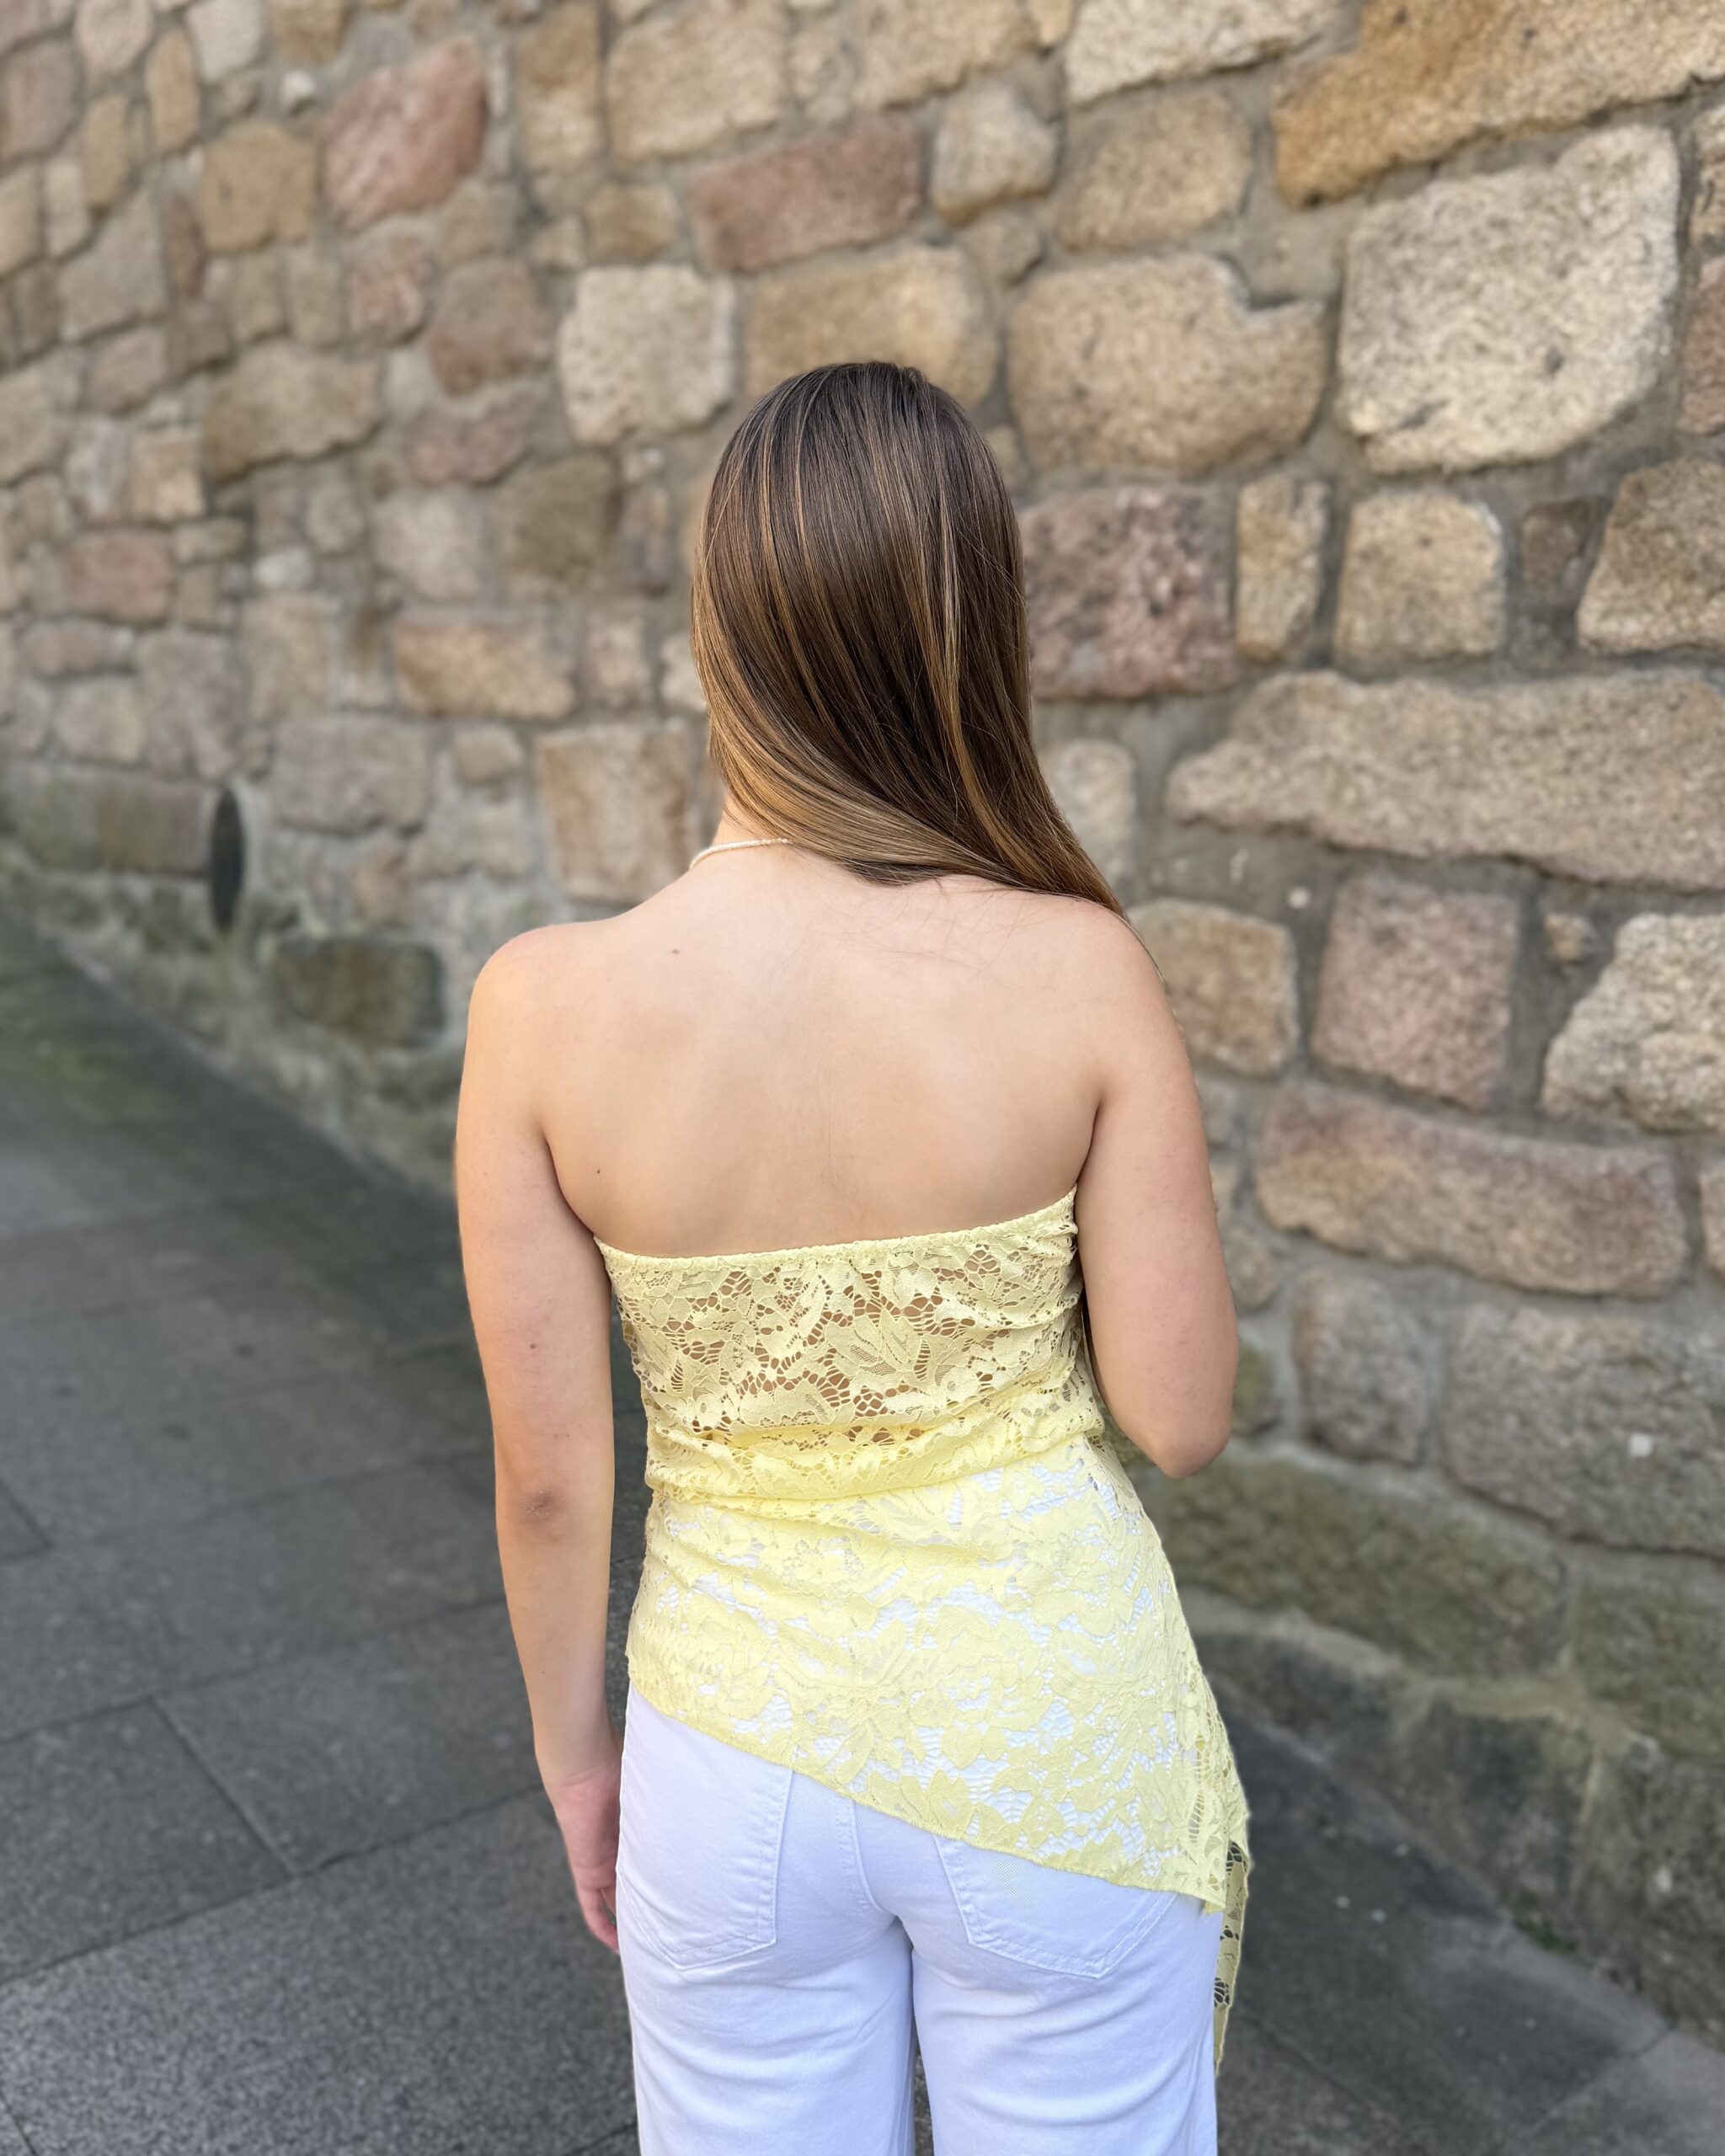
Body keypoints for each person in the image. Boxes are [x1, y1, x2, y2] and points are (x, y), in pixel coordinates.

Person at [455, 361, 1250, 2156]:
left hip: (732, 1750)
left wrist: (578, 1755)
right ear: (968, 636)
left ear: (719, 635)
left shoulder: (541, 1010)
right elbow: (1182, 1415)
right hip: (1053, 1741)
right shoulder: (1079, 967)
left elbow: (551, 1478)